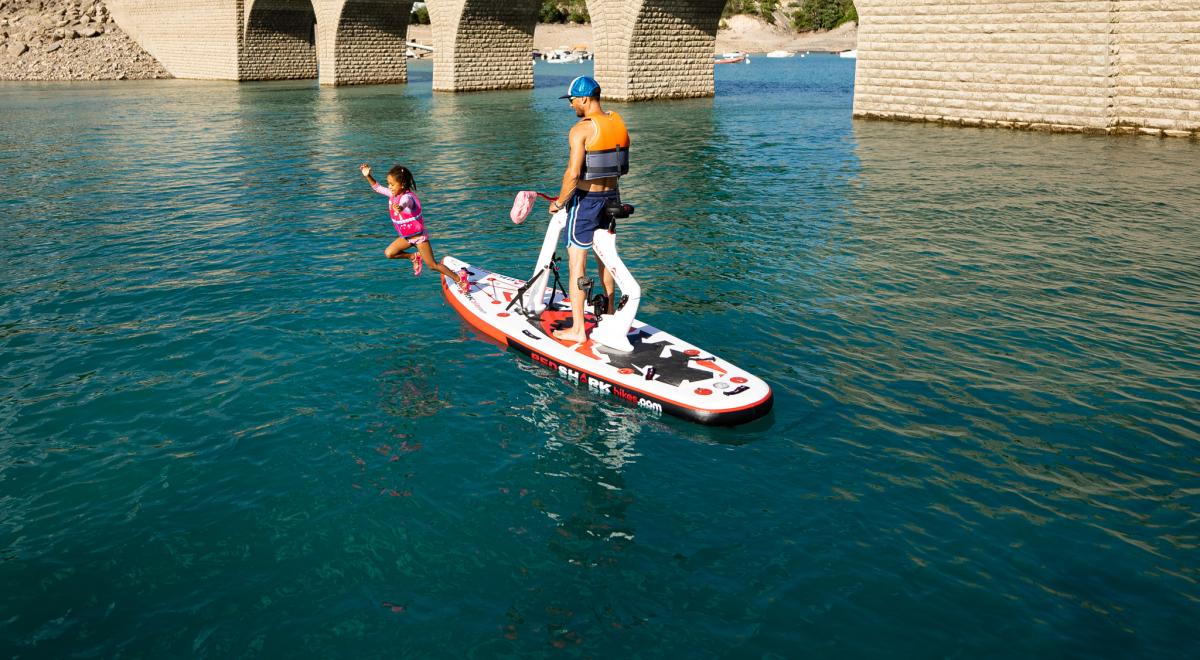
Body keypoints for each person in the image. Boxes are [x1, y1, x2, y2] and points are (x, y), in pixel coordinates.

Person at [547, 76, 630, 343]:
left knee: (576, 264)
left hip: (586, 202)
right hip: (612, 197)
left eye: (572, 101)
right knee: (606, 259)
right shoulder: (617, 121)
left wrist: (559, 202)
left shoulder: (581, 129)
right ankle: (607, 314)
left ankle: (579, 330)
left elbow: (572, 175)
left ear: (583, 98)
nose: (571, 106)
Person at [360, 163, 467, 292]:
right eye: (388, 184)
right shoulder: (392, 194)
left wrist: (400, 207)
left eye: (392, 184)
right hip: (407, 237)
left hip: (419, 238)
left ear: (402, 185)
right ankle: (413, 257)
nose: (390, 187)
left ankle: (459, 279)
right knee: (389, 253)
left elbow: (406, 203)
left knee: (432, 265)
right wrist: (368, 175)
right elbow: (377, 188)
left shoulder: (407, 197)